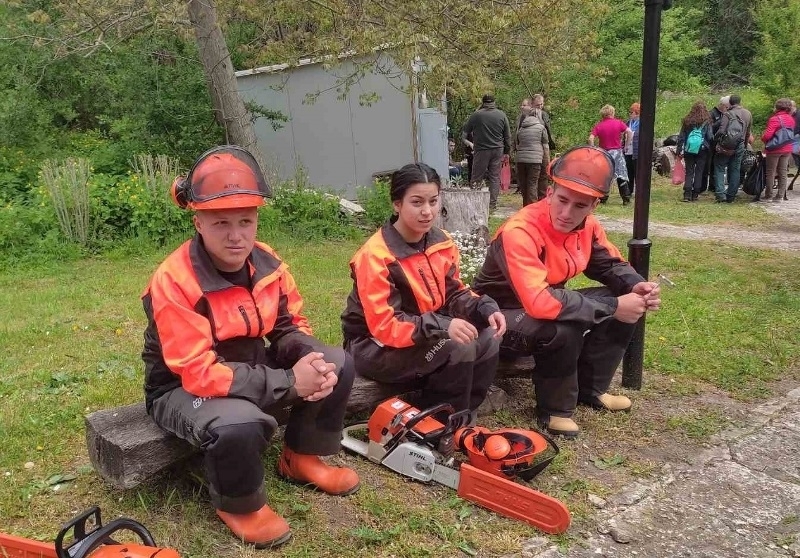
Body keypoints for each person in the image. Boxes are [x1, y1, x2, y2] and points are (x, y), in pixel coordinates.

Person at [141, 145, 359, 549]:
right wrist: (291, 380)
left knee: (337, 361)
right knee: (239, 422)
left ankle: (302, 457)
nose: (236, 234)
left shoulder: (268, 262)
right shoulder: (174, 280)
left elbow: (288, 324)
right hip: (181, 387)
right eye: (221, 222)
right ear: (198, 221)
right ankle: (240, 505)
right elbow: (199, 372)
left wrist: (309, 360)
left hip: (249, 365)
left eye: (246, 220)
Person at [472, 146, 661, 438]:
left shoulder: (589, 227)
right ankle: (555, 410)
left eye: (580, 206)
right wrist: (612, 306)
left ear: (594, 206)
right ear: (550, 191)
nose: (566, 212)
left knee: (627, 304)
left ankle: (591, 389)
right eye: (562, 200)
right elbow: (539, 303)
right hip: (495, 316)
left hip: (540, 303)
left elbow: (608, 265)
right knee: (563, 326)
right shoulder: (520, 230)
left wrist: (635, 286)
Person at [342, 163, 507, 419]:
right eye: (417, 202)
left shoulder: (440, 242)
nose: (427, 211)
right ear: (397, 204)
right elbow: (386, 326)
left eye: (433, 201)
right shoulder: (376, 256)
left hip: (423, 334)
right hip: (373, 346)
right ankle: (437, 422)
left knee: (488, 334)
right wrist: (443, 326)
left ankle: (465, 413)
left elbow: (455, 294)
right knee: (458, 345)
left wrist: (485, 308)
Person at [462, 94, 512, 212]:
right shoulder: (502, 115)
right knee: (494, 177)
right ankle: (492, 205)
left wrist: (469, 142)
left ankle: (475, 202)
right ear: (494, 102)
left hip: (481, 150)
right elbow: (507, 136)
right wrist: (507, 151)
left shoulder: (476, 115)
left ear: (483, 102)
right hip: (497, 149)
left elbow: (465, 133)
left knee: (477, 176)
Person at [588, 105, 634, 205]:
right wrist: (626, 145)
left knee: (604, 176)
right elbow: (629, 132)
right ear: (612, 113)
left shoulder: (599, 125)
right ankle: (626, 198)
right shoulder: (618, 123)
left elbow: (591, 138)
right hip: (617, 153)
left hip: (604, 154)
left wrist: (594, 150)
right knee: (621, 174)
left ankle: (603, 198)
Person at [713, 93, 753, 203]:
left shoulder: (727, 114)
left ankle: (720, 195)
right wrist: (744, 146)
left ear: (730, 102)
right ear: (740, 101)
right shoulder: (748, 114)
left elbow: (721, 130)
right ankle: (731, 196)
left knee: (719, 167)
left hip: (725, 146)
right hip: (739, 145)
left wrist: (715, 139)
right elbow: (748, 132)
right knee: (735, 169)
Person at [676, 101, 714, 202]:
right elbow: (710, 137)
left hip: (689, 149)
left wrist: (679, 150)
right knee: (699, 171)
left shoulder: (687, 121)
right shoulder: (707, 121)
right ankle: (695, 194)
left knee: (689, 171)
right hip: (702, 149)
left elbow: (681, 137)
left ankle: (687, 194)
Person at [761, 98, 796, 202]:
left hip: (774, 149)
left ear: (777, 107)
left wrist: (762, 138)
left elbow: (767, 135)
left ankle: (768, 196)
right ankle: (780, 196)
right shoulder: (791, 119)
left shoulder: (774, 119)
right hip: (787, 148)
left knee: (770, 172)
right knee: (783, 172)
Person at [516, 107, 551, 205]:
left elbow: (517, 144)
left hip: (520, 160)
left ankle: (525, 207)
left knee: (524, 185)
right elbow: (545, 146)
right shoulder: (541, 128)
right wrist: (547, 161)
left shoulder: (521, 129)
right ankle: (532, 208)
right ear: (537, 116)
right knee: (532, 183)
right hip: (535, 160)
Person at [706, 96, 731, 194]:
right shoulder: (712, 113)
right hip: (712, 142)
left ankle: (716, 185)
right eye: (727, 107)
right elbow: (709, 128)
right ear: (722, 105)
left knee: (718, 164)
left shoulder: (725, 114)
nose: (728, 109)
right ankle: (712, 186)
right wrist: (721, 122)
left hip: (723, 143)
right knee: (712, 164)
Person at [624, 103, 641, 195]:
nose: (630, 114)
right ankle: (629, 190)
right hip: (628, 151)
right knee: (629, 171)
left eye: (632, 112)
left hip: (637, 151)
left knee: (637, 172)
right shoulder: (628, 122)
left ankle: (639, 191)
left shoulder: (642, 123)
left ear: (637, 113)